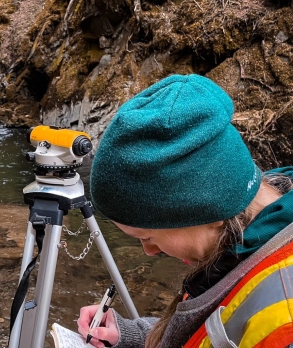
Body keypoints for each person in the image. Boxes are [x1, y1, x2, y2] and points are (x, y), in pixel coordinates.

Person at [78, 74, 293, 348]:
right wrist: (133, 336)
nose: (149, 252)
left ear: (212, 209)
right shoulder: (241, 241)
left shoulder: (284, 321)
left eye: (147, 237)